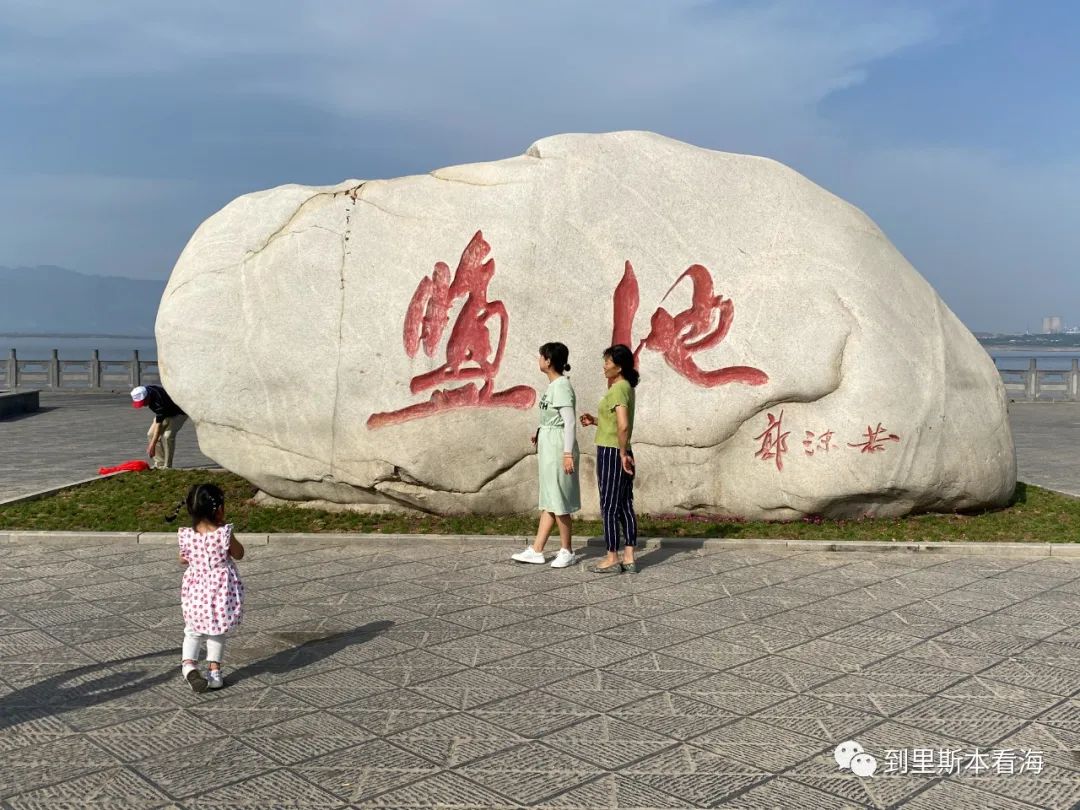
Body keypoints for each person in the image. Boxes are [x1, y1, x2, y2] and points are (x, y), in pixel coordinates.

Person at [170, 483, 245, 692]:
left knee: (192, 630)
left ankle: (189, 665)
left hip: (195, 590)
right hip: (219, 591)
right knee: (216, 631)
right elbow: (239, 553)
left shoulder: (186, 534)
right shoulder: (223, 534)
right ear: (218, 509)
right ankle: (214, 673)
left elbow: (182, 560)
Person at [512, 342, 581, 568]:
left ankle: (567, 550)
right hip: (550, 445)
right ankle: (537, 549)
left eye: (541, 356)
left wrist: (567, 453)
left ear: (549, 360)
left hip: (559, 448)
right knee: (551, 498)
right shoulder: (553, 386)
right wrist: (540, 432)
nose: (538, 360)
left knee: (559, 499)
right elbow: (554, 418)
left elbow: (569, 422)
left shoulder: (561, 386)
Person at [579, 344, 639, 574]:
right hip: (620, 449)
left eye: (608, 361)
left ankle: (612, 556)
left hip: (613, 452)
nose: (604, 365)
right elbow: (616, 423)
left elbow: (623, 425)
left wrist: (622, 454)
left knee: (609, 506)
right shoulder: (626, 387)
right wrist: (596, 420)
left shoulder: (617, 389)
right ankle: (630, 557)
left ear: (619, 366)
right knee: (624, 504)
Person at [131, 384, 187, 469]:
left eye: (143, 402)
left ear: (147, 397)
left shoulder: (158, 402)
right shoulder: (146, 389)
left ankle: (167, 466)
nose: (142, 405)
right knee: (150, 434)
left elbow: (158, 426)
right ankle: (159, 463)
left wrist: (152, 446)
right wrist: (153, 443)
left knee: (167, 436)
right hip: (165, 412)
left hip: (179, 413)